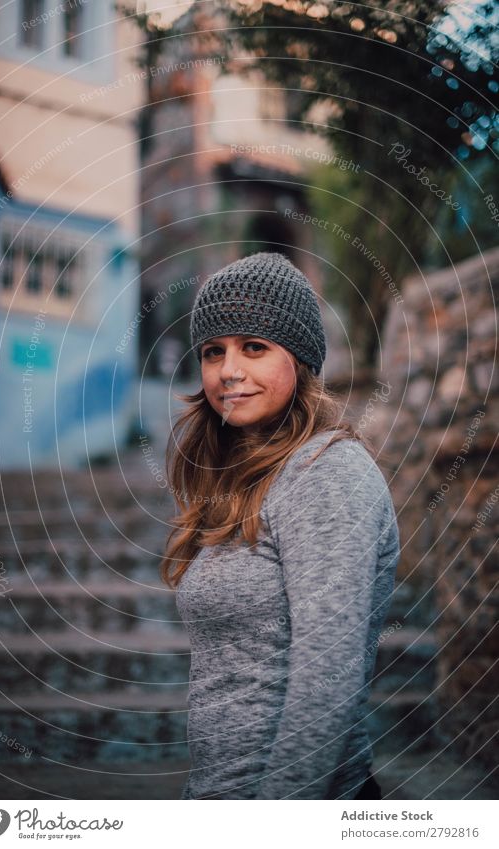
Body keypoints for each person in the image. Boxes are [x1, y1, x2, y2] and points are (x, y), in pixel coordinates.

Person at [159, 251, 400, 800]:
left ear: (301, 358)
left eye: (255, 347)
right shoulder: (243, 481)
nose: (229, 371)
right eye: (213, 351)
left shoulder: (326, 473)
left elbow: (326, 683)